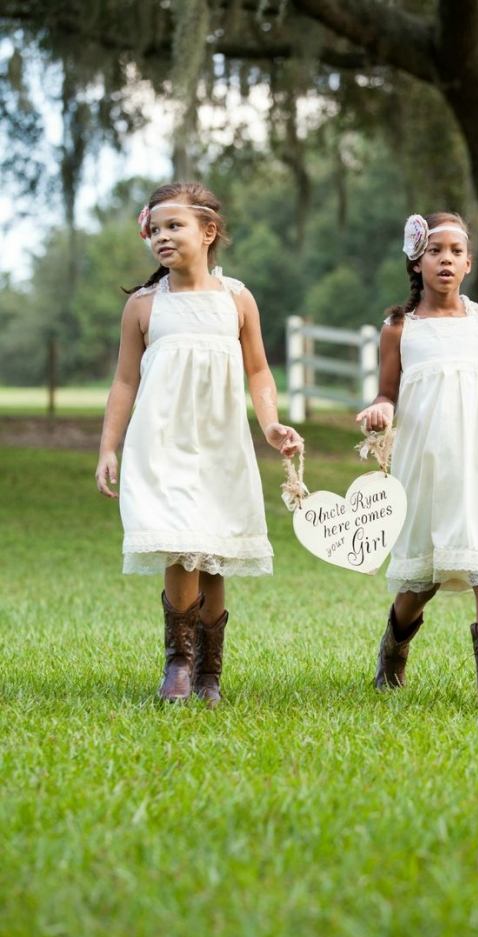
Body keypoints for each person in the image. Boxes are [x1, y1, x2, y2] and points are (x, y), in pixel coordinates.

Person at [96, 181, 302, 706]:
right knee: (181, 545)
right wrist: (108, 448)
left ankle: (210, 671)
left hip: (219, 444)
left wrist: (271, 424)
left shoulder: (236, 299)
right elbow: (124, 382)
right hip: (162, 443)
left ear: (208, 232)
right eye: (156, 229)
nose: (162, 238)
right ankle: (180, 664)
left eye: (175, 226)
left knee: (213, 556)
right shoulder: (144, 306)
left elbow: (259, 371)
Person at [356, 212, 478, 715]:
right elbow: (389, 390)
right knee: (421, 578)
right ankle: (394, 647)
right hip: (423, 462)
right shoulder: (400, 329)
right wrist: (382, 407)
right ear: (417, 260)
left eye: (455, 251)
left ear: (468, 262)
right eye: (435, 250)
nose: (445, 258)